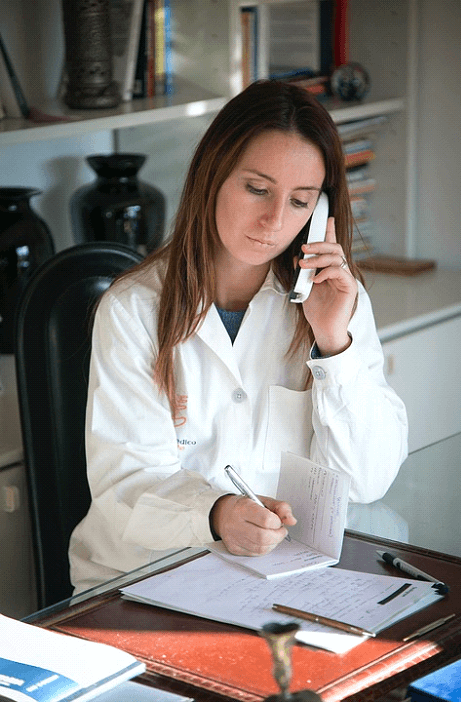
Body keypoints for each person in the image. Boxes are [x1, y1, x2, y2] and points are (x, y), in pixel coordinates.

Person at [69, 80, 408, 593]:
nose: (275, 221)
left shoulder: (336, 300)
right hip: (142, 580)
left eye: (300, 201)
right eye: (257, 189)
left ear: (321, 214)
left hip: (276, 578)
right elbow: (126, 487)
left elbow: (366, 479)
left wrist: (333, 343)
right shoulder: (133, 309)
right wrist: (218, 514)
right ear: (212, 176)